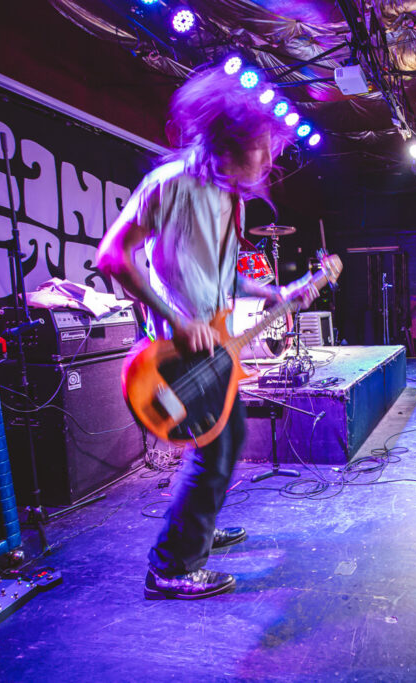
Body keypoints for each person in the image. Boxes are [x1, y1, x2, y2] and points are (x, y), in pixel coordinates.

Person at [96, 67, 317, 600]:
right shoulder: (171, 184)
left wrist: (271, 292)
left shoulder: (227, 197)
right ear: (230, 141)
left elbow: (220, 277)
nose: (270, 159)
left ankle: (196, 527)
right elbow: (112, 255)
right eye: (263, 147)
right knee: (217, 449)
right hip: (182, 348)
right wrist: (174, 318)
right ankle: (172, 566)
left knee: (222, 442)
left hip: (216, 340)